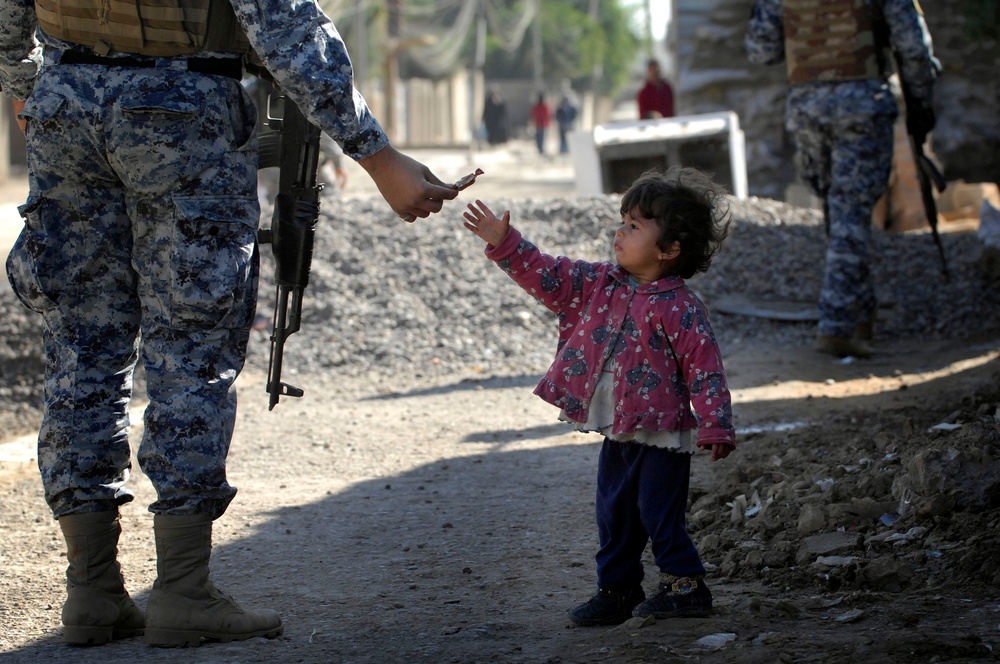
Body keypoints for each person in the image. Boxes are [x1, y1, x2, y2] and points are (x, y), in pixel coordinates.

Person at [0, 0, 459, 649]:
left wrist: (30, 89)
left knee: (82, 346)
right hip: (183, 108)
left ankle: (92, 590)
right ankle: (182, 591)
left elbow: (7, 23)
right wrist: (377, 157)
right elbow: (286, 27)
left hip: (65, 109)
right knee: (191, 345)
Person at [462, 168, 736, 627]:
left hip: (662, 436)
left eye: (634, 226)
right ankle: (617, 591)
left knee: (658, 512)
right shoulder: (598, 283)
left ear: (670, 249)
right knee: (613, 514)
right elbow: (549, 275)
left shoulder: (681, 308)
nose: (619, 233)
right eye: (622, 222)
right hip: (619, 431)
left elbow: (705, 369)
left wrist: (716, 424)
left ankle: (686, 587)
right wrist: (505, 243)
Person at [746, 0, 940, 358]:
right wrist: (921, 104)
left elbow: (761, 50)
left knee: (841, 213)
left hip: (807, 111)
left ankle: (859, 315)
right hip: (861, 107)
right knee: (849, 210)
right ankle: (836, 325)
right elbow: (914, 48)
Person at [530, 93, 552, 157]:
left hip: (541, 124)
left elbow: (547, 115)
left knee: (541, 137)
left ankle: (541, 149)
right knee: (540, 137)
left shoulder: (542, 106)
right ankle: (540, 149)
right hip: (540, 124)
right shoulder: (541, 106)